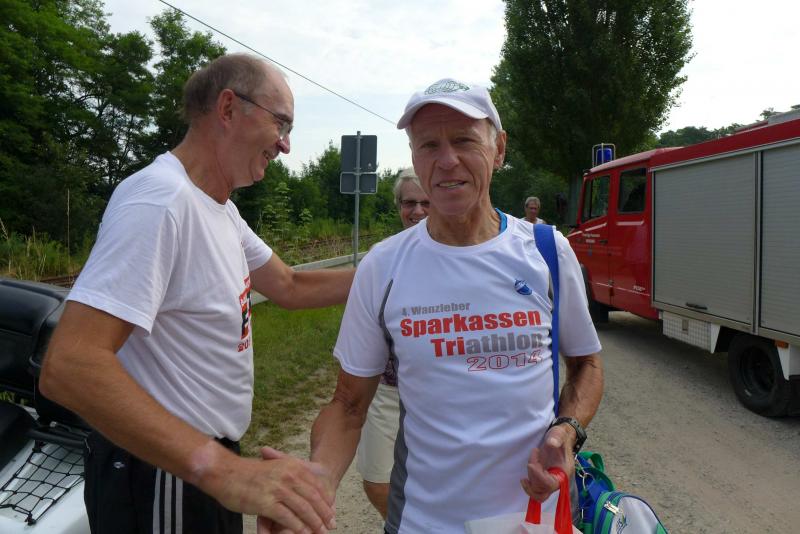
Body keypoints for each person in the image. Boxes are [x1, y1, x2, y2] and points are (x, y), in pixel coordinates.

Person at [39, 53, 348, 534]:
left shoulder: (219, 208)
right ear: (228, 108)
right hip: (163, 472)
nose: (286, 144)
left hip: (193, 468)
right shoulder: (160, 201)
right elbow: (70, 364)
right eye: (281, 123)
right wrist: (225, 473)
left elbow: (289, 285)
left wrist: (393, 271)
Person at [309, 78, 604, 533]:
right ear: (414, 157)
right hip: (423, 522)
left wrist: (567, 430)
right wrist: (314, 487)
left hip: (536, 520)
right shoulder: (383, 266)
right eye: (429, 145)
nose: (447, 160)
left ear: (498, 149)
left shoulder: (547, 251)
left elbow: (586, 364)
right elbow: (348, 405)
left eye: (464, 140)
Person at [355, 167, 429, 519]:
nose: (417, 211)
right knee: (376, 479)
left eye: (426, 203)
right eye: (409, 203)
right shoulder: (382, 257)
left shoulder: (460, 255)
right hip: (387, 388)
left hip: (435, 391)